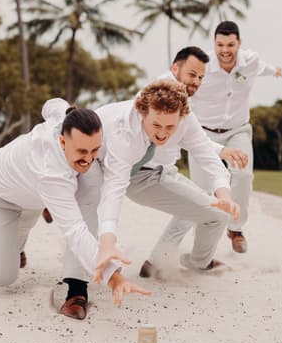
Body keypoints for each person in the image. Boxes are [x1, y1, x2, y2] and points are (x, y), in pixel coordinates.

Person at [0, 98, 149, 320]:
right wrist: (114, 277)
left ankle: (76, 288)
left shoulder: (63, 119)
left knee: (92, 178)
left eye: (95, 150)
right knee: (3, 277)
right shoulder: (51, 174)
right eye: (82, 151)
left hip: (32, 196)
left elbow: (50, 104)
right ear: (62, 142)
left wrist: (66, 110)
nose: (89, 159)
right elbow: (75, 232)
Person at [86, 78, 240, 291]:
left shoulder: (186, 119)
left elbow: (208, 157)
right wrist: (109, 241)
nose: (162, 133)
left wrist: (224, 196)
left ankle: (181, 263)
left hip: (153, 172)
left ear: (182, 117)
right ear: (143, 113)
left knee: (218, 214)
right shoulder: (124, 132)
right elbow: (114, 190)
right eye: (156, 125)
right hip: (94, 167)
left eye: (170, 127)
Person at [161, 21, 282, 255]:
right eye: (220, 44)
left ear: (239, 44)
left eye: (230, 45)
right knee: (199, 191)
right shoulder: (203, 65)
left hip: (237, 131)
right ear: (214, 44)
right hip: (203, 133)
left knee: (243, 175)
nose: (225, 50)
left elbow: (262, 67)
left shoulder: (251, 61)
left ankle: (235, 229)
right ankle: (182, 249)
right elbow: (176, 74)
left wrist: (275, 71)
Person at [138, 46, 247, 277]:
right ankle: (199, 262)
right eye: (192, 74)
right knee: (214, 215)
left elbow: (194, 138)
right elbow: (193, 137)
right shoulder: (162, 97)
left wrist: (222, 151)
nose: (196, 81)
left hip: (162, 172)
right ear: (174, 68)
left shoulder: (175, 98)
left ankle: (155, 262)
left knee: (193, 204)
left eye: (200, 77)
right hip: (147, 174)